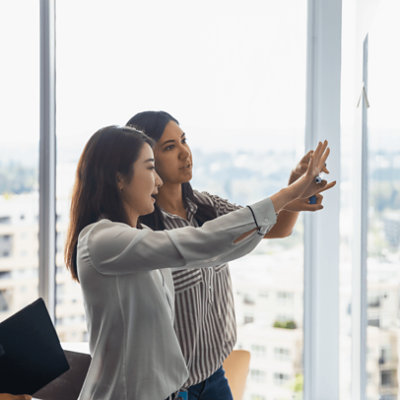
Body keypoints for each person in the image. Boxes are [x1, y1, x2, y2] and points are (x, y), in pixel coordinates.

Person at [64, 125, 331, 400]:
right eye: (149, 168)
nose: (157, 181)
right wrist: (288, 194)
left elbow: (221, 244)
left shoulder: (147, 233)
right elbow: (201, 242)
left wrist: (287, 199)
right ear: (119, 178)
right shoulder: (100, 239)